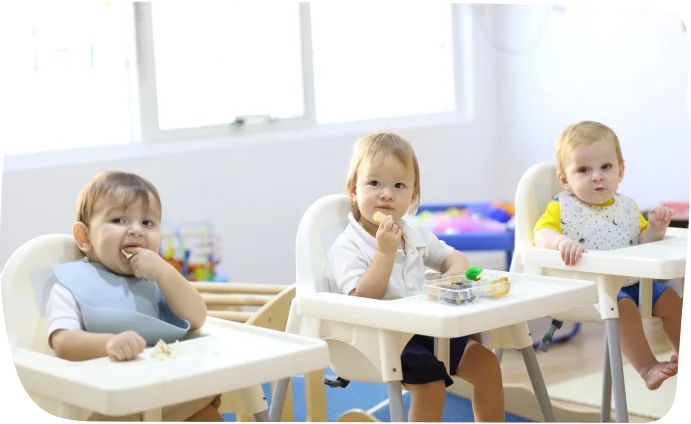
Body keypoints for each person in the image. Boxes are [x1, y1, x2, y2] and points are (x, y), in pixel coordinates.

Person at [326, 132, 505, 424]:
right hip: (377, 335)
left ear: (412, 195)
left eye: (399, 185)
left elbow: (454, 257)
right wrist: (384, 255)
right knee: (431, 386)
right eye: (374, 183)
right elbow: (361, 300)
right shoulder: (347, 246)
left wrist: (452, 276)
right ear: (353, 189)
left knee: (487, 365)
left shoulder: (413, 233)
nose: (387, 194)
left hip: (423, 328)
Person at [45, 170, 223, 422]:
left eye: (147, 223)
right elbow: (62, 342)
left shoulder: (156, 279)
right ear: (85, 237)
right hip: (106, 402)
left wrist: (165, 272)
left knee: (206, 414)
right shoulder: (71, 284)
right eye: (119, 220)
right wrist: (108, 345)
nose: (136, 230)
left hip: (163, 391)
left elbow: (197, 318)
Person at [533, 120, 682, 390]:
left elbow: (643, 241)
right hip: (591, 290)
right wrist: (561, 242)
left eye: (606, 167)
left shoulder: (627, 206)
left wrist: (657, 229)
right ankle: (647, 366)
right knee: (622, 307)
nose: (597, 176)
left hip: (635, 283)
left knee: (671, 299)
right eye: (583, 170)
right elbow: (540, 234)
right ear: (565, 179)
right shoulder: (562, 207)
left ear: (620, 171)